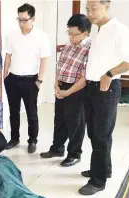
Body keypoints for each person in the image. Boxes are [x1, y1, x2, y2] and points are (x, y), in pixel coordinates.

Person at [79, 0, 129, 195]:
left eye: (94, 9)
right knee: (93, 132)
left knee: (101, 134)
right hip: (91, 87)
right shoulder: (98, 30)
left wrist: (109, 73)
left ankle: (98, 181)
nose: (90, 13)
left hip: (106, 87)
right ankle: (103, 169)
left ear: (106, 5)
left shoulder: (119, 30)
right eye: (87, 9)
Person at [40, 14, 92, 167]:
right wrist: (56, 85)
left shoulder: (90, 49)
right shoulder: (69, 46)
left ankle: (74, 154)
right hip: (62, 87)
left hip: (76, 90)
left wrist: (68, 92)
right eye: (68, 32)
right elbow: (59, 66)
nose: (70, 36)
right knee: (60, 120)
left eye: (73, 34)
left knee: (75, 123)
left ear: (85, 33)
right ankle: (57, 148)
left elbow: (84, 78)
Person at [4, 3, 51, 153]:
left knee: (31, 112)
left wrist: (40, 80)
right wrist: (5, 74)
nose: (21, 23)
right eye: (19, 19)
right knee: (13, 111)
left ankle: (32, 140)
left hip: (31, 80)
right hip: (12, 79)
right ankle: (14, 138)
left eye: (25, 20)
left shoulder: (42, 37)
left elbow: (44, 59)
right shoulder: (12, 35)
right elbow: (8, 55)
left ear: (33, 19)